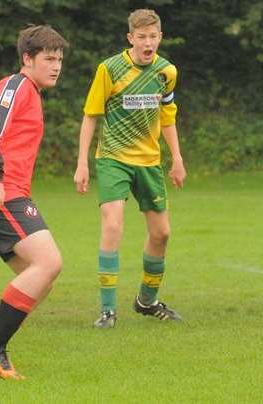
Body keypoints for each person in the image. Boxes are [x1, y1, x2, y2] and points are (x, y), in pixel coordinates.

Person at [74, 9, 186, 328]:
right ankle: (107, 310)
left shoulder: (167, 71)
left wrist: (176, 158)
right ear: (130, 38)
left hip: (150, 163)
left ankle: (146, 302)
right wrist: (82, 163)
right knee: (112, 225)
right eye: (141, 37)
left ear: (160, 37)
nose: (147, 43)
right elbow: (91, 115)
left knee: (162, 233)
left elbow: (168, 116)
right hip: (113, 158)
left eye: (153, 37)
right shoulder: (110, 69)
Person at [0, 25, 68, 380]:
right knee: (48, 263)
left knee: (39, 277)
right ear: (28, 59)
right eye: (48, 59)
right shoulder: (17, 87)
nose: (56, 66)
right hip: (5, 194)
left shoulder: (30, 91)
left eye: (59, 59)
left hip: (14, 193)